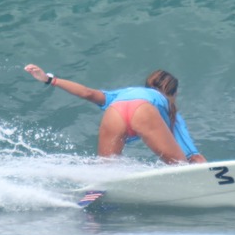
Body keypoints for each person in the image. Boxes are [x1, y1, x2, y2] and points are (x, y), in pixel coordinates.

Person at [24, 64, 207, 165]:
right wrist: (199, 163)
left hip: (115, 113)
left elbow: (87, 93)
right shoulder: (167, 103)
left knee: (107, 170)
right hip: (143, 112)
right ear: (173, 93)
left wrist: (49, 79)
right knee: (180, 165)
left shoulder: (123, 93)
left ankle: (101, 194)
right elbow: (190, 151)